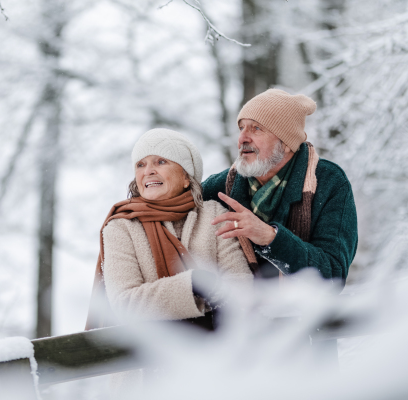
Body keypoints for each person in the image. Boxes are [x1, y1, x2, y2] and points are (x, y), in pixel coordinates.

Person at [85, 128, 252, 331]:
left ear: (186, 177)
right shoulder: (121, 226)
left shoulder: (215, 214)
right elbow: (125, 304)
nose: (148, 171)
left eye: (161, 161)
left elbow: (240, 287)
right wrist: (194, 285)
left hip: (219, 345)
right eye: (140, 164)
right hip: (149, 350)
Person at [202, 88, 358, 284]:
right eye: (242, 128)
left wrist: (270, 238)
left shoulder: (329, 182)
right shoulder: (220, 186)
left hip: (304, 312)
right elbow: (173, 204)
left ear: (286, 143)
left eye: (256, 128)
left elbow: (333, 274)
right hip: (239, 311)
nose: (243, 138)